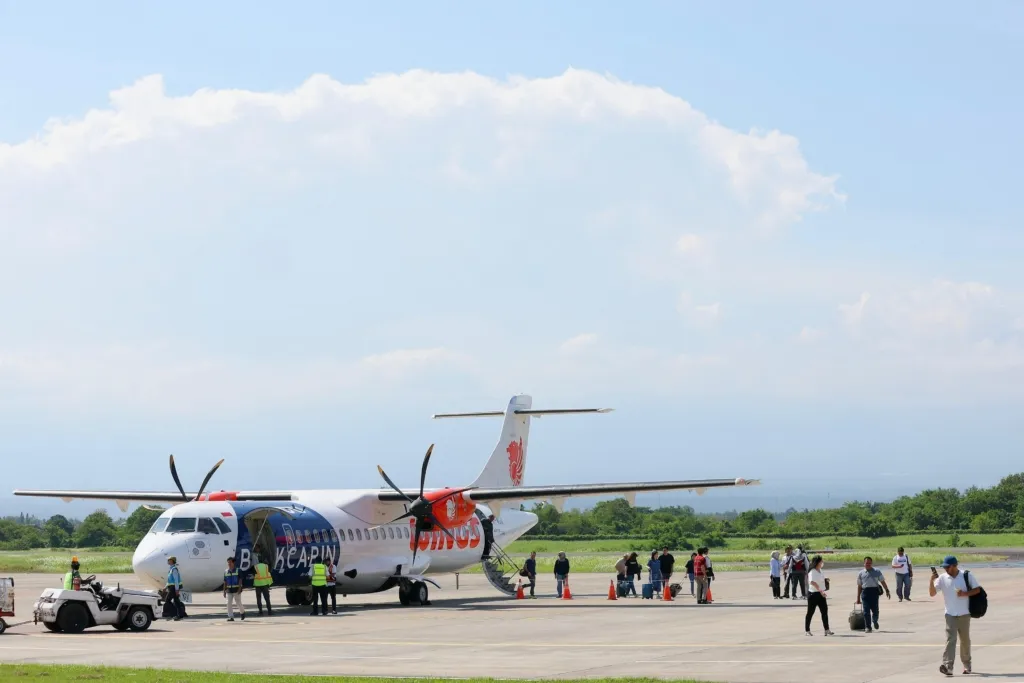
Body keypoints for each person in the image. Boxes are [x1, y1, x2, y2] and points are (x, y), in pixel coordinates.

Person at [929, 555, 981, 677]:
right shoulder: (942, 578)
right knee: (950, 640)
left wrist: (965, 593)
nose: (946, 569)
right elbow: (932, 593)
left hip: (964, 613)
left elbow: (977, 589)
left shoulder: (966, 575)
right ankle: (948, 667)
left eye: (947, 567)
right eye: (944, 567)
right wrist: (931, 581)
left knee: (965, 640)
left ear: (954, 566)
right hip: (950, 614)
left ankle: (967, 665)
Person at [855, 556, 891, 633]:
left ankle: (875, 621)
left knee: (875, 610)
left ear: (872, 563)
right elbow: (859, 586)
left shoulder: (877, 571)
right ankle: (868, 627)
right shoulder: (861, 573)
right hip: (865, 593)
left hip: (874, 593)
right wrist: (858, 598)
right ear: (864, 563)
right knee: (866, 611)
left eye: (869, 563)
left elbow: (882, 581)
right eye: (866, 563)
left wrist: (887, 590)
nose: (868, 564)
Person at [805, 555, 834, 636]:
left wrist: (826, 579)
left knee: (824, 611)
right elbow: (812, 582)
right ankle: (807, 630)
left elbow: (821, 578)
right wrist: (820, 590)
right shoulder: (812, 571)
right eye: (821, 561)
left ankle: (826, 629)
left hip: (821, 594)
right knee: (810, 612)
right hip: (813, 594)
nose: (822, 562)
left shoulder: (820, 570)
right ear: (817, 562)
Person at [223, 557, 245, 621]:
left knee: (238, 602)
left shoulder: (238, 570)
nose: (229, 564)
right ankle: (231, 617)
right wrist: (224, 591)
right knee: (228, 603)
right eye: (228, 562)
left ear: (233, 563)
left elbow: (240, 580)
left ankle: (242, 612)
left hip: (236, 589)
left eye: (230, 562)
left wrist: (239, 588)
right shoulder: (226, 571)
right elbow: (225, 582)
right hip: (229, 590)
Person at [165, 556, 185, 621]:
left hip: (173, 588)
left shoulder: (174, 569)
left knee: (167, 600)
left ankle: (173, 614)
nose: (168, 561)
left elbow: (176, 580)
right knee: (176, 602)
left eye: (169, 560)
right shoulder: (171, 569)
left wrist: (177, 589)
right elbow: (169, 580)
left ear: (172, 561)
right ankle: (180, 615)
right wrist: (165, 587)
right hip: (172, 587)